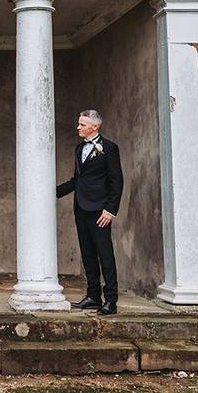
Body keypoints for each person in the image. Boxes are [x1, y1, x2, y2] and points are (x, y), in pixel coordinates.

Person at [56, 109, 123, 315]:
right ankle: (93, 296)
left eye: (82, 124)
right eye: (79, 124)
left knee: (105, 255)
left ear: (95, 126)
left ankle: (111, 300)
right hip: (81, 208)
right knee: (87, 254)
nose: (78, 127)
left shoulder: (110, 148)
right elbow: (78, 180)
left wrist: (110, 210)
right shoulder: (79, 148)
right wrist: (51, 193)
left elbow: (116, 181)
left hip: (100, 211)